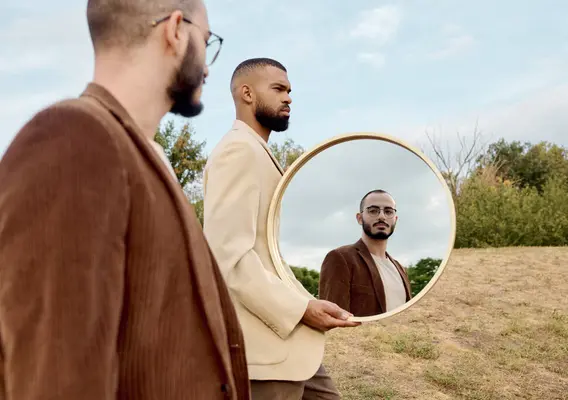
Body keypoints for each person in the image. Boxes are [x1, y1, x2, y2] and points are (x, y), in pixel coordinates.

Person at [0, 0, 250, 398]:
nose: (207, 64)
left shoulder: (144, 156)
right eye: (207, 40)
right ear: (174, 30)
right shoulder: (73, 138)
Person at [202, 57, 360, 400]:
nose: (288, 97)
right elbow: (229, 257)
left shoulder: (256, 151)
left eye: (289, 91)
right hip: (262, 352)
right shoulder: (237, 151)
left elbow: (264, 253)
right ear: (246, 93)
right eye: (278, 89)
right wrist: (301, 310)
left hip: (290, 347)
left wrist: (309, 302)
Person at [319, 189, 413, 317]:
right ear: (359, 218)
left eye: (388, 211)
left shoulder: (400, 269)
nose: (381, 216)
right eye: (373, 210)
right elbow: (333, 320)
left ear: (395, 219)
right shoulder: (340, 258)